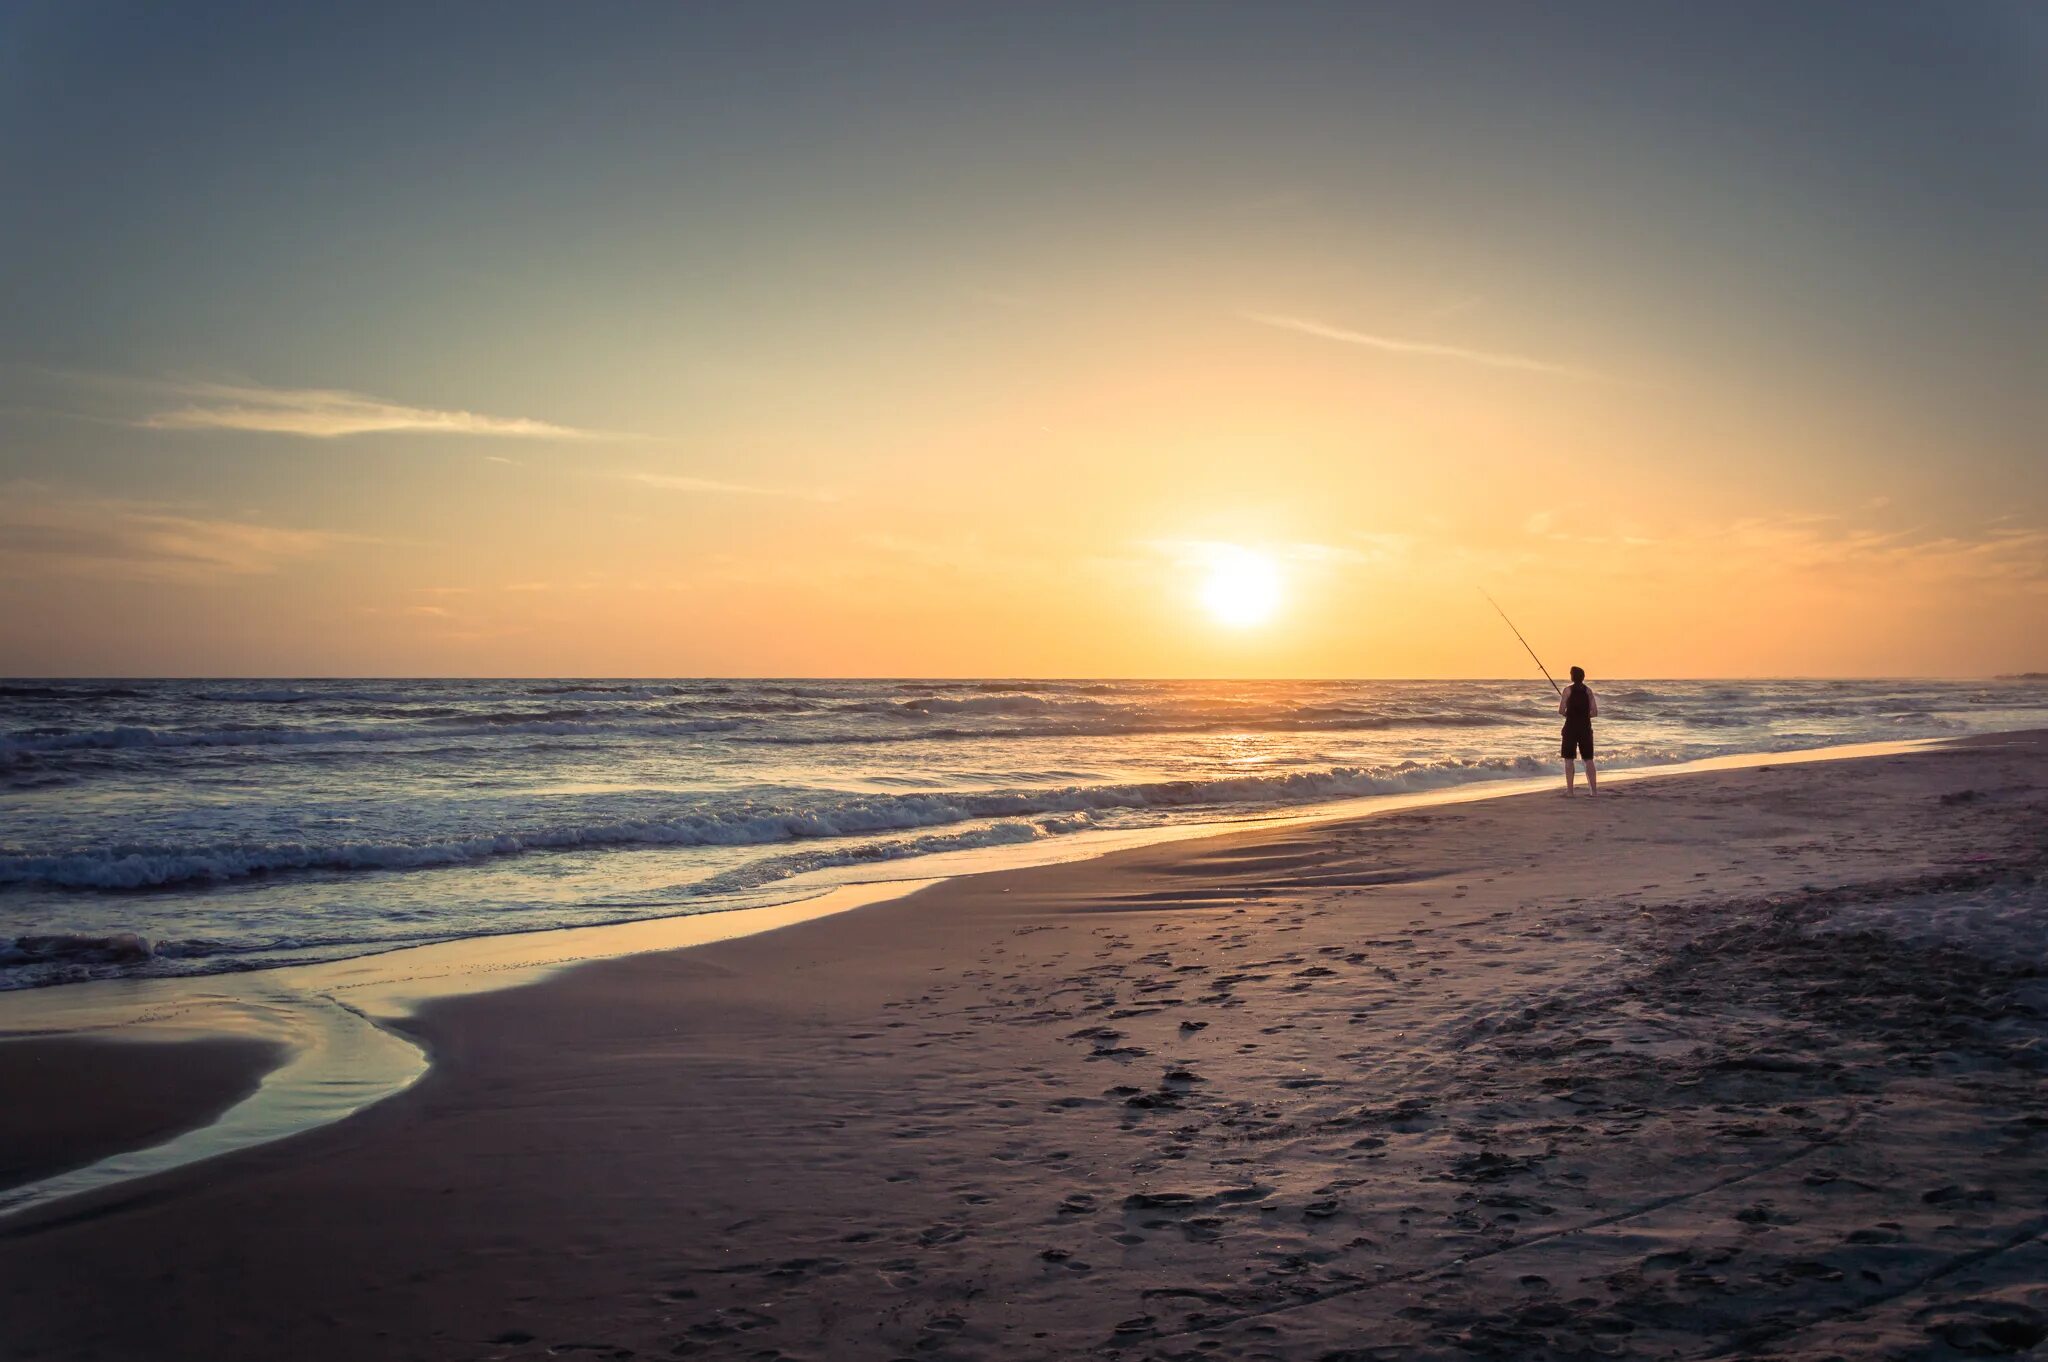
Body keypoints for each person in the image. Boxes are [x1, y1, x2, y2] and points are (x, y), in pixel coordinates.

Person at [1558, 665, 1598, 795]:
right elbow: (1595, 712)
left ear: (1572, 676)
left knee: (1569, 759)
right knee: (1588, 759)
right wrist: (1584, 716)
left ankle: (1570, 791)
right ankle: (1594, 791)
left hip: (1570, 728)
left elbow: (1561, 710)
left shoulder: (1567, 690)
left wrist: (1568, 714)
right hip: (1585, 728)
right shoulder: (1588, 691)